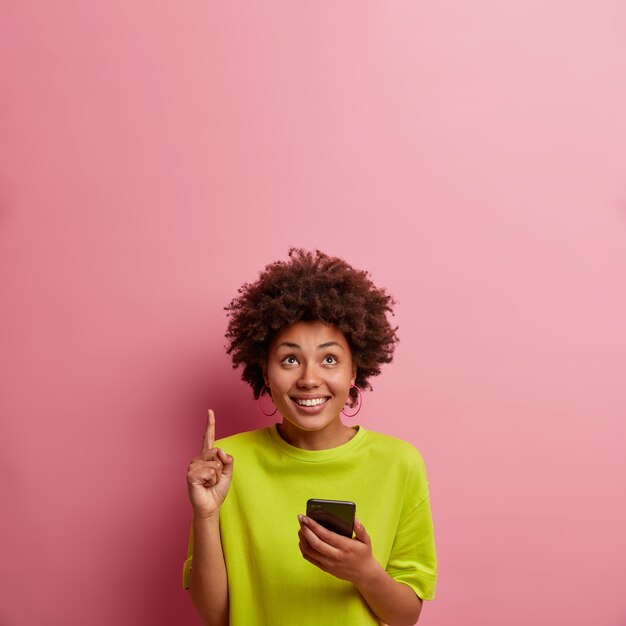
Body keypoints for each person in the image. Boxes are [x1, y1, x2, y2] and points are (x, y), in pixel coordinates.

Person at [183, 249, 437, 626]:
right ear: (265, 373)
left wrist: (364, 571)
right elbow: (217, 616)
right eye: (289, 359)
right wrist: (206, 515)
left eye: (330, 359)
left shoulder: (400, 463)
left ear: (355, 370)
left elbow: (405, 617)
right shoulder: (226, 465)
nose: (308, 378)